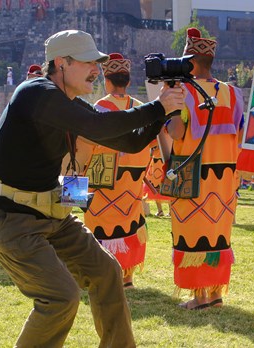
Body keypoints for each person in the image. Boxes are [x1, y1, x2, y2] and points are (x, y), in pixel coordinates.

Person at [0, 29, 184, 347]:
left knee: (107, 272)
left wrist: (163, 113)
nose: (96, 69)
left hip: (52, 214)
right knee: (60, 296)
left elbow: (128, 142)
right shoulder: (36, 93)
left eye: (98, 63)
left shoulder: (67, 103)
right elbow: (100, 127)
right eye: (89, 62)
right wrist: (158, 108)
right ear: (61, 63)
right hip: (11, 218)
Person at [165, 28, 244, 310]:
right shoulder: (232, 94)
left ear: (189, 59)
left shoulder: (182, 91)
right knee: (218, 231)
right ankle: (216, 293)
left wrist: (168, 107)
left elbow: (176, 133)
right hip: (224, 177)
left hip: (192, 172)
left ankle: (200, 296)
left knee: (194, 231)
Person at [82, 53, 151, 290]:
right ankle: (128, 277)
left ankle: (106, 276)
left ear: (106, 80)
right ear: (128, 81)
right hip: (133, 180)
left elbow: (83, 148)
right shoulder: (142, 109)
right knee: (129, 223)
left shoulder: (97, 110)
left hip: (102, 179)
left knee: (101, 226)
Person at [142, 139, 170, 217]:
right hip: (158, 163)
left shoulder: (158, 137)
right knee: (157, 187)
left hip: (159, 163)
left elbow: (150, 151)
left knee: (161, 187)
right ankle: (161, 211)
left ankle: (162, 210)